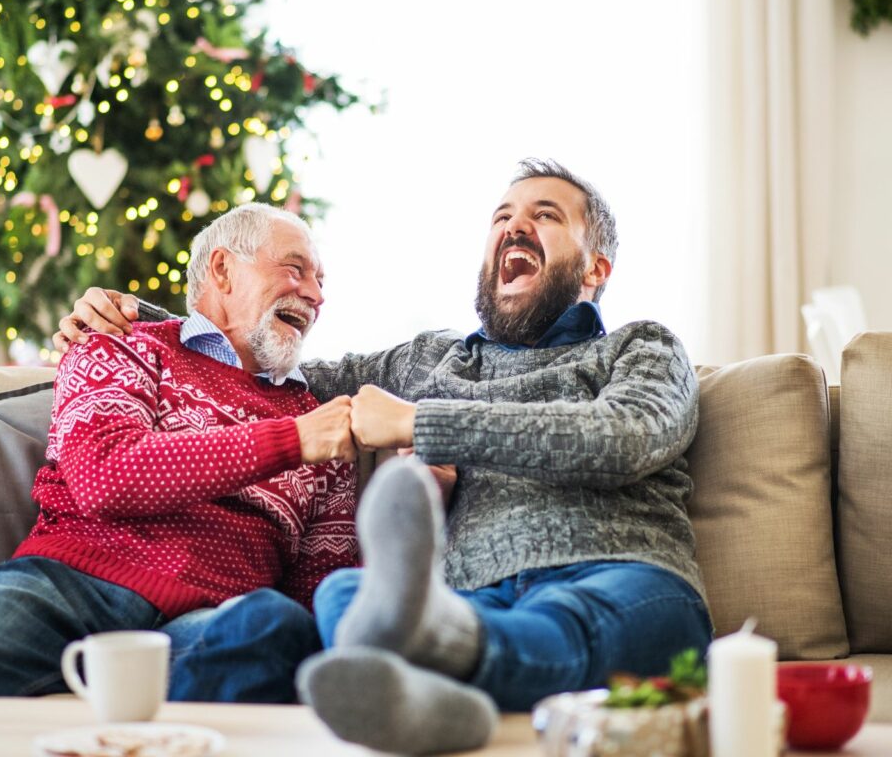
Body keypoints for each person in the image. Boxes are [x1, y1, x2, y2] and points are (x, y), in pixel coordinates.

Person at [55, 158, 713, 755]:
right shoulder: (426, 360)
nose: (514, 229)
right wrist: (136, 319)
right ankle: (443, 694)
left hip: (618, 575)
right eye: (502, 219)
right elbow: (258, 364)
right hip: (462, 600)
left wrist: (421, 423)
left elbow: (625, 436)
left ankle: (436, 670)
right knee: (345, 591)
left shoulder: (639, 347)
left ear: (595, 268)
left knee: (567, 622)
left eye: (545, 217)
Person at [0, 203, 361, 743]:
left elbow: (319, 587)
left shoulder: (317, 417)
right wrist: (292, 441)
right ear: (222, 269)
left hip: (211, 622)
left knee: (276, 627)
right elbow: (106, 476)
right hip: (74, 584)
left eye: (320, 280)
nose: (316, 294)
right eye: (295, 269)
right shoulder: (121, 343)